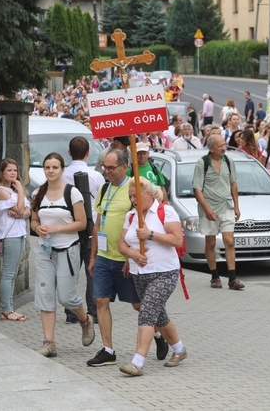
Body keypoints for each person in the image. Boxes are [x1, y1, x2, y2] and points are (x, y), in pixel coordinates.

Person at [88, 149, 169, 366]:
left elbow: (140, 221)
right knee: (100, 300)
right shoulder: (104, 188)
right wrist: (93, 256)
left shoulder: (133, 188)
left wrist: (129, 257)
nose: (108, 171)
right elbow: (98, 223)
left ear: (125, 166)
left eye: (112, 167)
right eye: (105, 167)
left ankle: (160, 336)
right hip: (105, 256)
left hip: (126, 258)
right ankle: (108, 350)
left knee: (138, 305)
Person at [117, 177, 188, 376]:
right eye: (130, 196)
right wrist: (132, 254)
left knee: (147, 312)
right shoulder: (131, 216)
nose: (133, 199)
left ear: (149, 194)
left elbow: (177, 239)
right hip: (140, 273)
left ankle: (137, 362)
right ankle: (180, 350)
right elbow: (121, 244)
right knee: (159, 316)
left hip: (164, 273)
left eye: (136, 195)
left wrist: (150, 235)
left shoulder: (164, 211)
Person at [30, 153, 95, 357]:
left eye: (55, 167)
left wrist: (57, 229)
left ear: (62, 170)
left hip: (68, 249)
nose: (51, 171)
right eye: (47, 167)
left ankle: (85, 320)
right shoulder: (37, 193)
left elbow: (82, 223)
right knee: (45, 295)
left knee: (67, 297)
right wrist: (38, 228)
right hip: (44, 251)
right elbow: (33, 221)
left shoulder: (72, 193)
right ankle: (49, 343)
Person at [192, 134, 244, 290]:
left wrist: (236, 206)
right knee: (211, 242)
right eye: (220, 145)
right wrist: (207, 209)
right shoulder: (202, 163)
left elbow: (233, 184)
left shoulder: (228, 161)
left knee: (229, 241)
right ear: (211, 148)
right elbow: (197, 189)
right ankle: (215, 276)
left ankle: (232, 279)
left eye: (224, 144)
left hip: (226, 205)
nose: (223, 148)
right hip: (209, 207)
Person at [62, 137, 104, 324]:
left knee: (70, 271)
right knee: (92, 271)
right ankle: (94, 311)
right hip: (92, 229)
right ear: (88, 153)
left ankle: (71, 312)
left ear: (69, 152)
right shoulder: (96, 176)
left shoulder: (61, 175)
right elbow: (102, 204)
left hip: (68, 230)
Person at [0, 158, 31, 322]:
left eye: (15, 170)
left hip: (20, 233)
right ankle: (7, 310)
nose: (13, 173)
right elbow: (21, 208)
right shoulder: (1, 190)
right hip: (10, 236)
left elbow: (28, 212)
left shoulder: (13, 192)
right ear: (2, 173)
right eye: (9, 170)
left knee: (13, 273)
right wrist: (21, 192)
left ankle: (9, 308)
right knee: (8, 274)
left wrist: (21, 210)